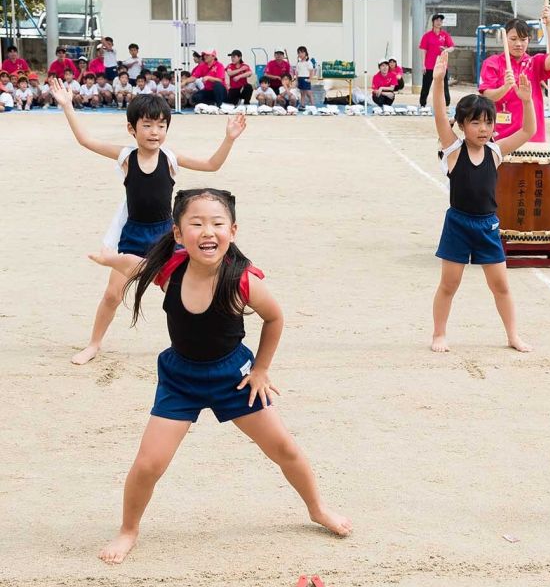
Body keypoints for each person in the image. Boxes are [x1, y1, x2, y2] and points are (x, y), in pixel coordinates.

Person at [86, 188, 352, 564]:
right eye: (196, 223)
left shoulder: (242, 280)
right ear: (178, 234)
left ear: (233, 230)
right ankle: (129, 529)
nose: (207, 231)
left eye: (216, 223)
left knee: (285, 449)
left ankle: (317, 507)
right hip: (180, 378)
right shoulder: (171, 269)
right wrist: (109, 258)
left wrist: (261, 369)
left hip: (233, 377)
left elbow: (274, 317)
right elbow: (135, 263)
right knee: (148, 464)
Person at [49, 79, 249, 366]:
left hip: (165, 237)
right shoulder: (126, 157)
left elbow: (211, 165)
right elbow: (85, 140)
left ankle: (194, 346)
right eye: (147, 125)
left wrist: (229, 138)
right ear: (132, 129)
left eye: (161, 126)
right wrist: (67, 105)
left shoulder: (170, 158)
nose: (154, 132)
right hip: (132, 235)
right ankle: (94, 344)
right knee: (112, 294)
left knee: (181, 293)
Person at [429, 52, 534, 354]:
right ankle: (439, 334)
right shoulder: (452, 150)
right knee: (449, 285)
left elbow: (527, 131)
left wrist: (526, 101)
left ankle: (513, 335)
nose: (483, 129)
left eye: (488, 122)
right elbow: (438, 113)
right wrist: (438, 81)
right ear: (461, 125)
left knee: (501, 286)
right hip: (458, 224)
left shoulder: (496, 152)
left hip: (488, 225)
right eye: (475, 123)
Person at [478, 4, 550, 143]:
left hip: (533, 137)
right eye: (513, 39)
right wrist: (505, 88)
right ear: (504, 38)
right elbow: (487, 96)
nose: (519, 44)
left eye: (523, 39)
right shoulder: (492, 63)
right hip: (502, 137)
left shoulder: (534, 62)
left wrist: (549, 26)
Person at [419, 13, 455, 108]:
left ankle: (446, 105)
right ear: (433, 22)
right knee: (426, 86)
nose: (439, 22)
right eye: (437, 20)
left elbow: (452, 47)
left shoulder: (445, 35)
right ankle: (423, 105)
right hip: (429, 66)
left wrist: (446, 49)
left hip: (441, 66)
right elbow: (423, 51)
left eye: (440, 21)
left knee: (444, 86)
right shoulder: (427, 36)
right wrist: (423, 65)